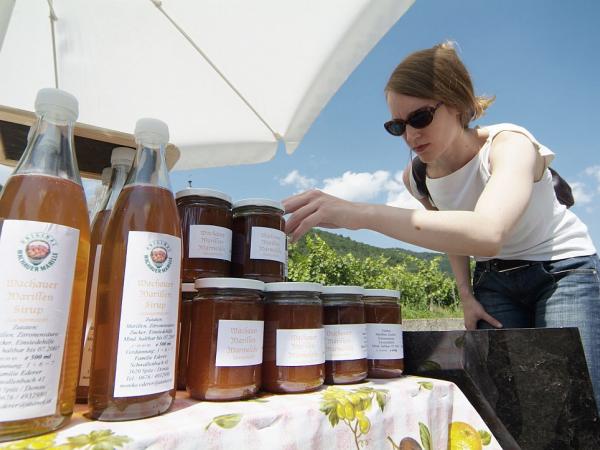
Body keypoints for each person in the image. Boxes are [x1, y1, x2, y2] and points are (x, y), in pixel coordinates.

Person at [283, 42, 600, 408]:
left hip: (562, 270)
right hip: (495, 280)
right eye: (397, 126)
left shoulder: (510, 145)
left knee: (576, 402)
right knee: (510, 400)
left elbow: (487, 232)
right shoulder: (418, 177)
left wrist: (362, 215)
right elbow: (452, 231)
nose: (410, 135)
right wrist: (466, 295)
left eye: (420, 118)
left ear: (459, 104)